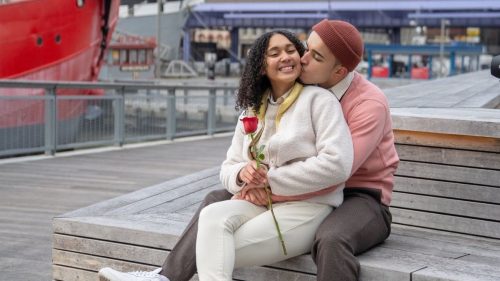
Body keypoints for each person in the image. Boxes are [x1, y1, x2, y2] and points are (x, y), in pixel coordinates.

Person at [99, 19, 399, 281]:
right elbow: (240, 160)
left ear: (339, 71)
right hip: (298, 189)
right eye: (306, 47)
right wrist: (247, 177)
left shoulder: (363, 103)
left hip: (361, 197)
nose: (303, 59)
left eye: (315, 56)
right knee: (214, 201)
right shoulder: (302, 90)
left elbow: (337, 172)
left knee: (331, 238)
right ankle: (166, 276)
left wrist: (267, 184)